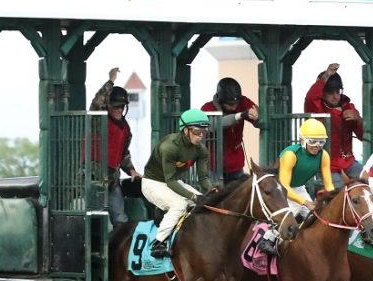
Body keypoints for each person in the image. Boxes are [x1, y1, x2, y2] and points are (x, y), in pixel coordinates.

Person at [140, 108, 216, 258]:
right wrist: (193, 197)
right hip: (152, 182)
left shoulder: (201, 150)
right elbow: (170, 181)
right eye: (196, 131)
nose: (200, 135)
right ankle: (158, 244)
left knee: (206, 203)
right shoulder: (169, 147)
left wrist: (211, 190)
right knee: (179, 205)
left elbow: (203, 178)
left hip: (173, 181)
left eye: (204, 131)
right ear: (185, 130)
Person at [89, 67, 141, 229]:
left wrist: (131, 170)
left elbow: (123, 153)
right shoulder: (99, 120)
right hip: (94, 179)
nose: (119, 110)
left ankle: (119, 253)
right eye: (116, 106)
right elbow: (97, 103)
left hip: (112, 181)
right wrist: (110, 81)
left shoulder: (125, 128)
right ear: (109, 105)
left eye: (122, 107)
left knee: (121, 220)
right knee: (98, 220)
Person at [303, 62, 364, 187]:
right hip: (325, 164)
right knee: (339, 190)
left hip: (349, 162)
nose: (335, 96)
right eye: (330, 93)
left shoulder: (349, 107)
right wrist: (327, 75)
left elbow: (362, 135)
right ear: (322, 94)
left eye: (337, 91)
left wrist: (358, 119)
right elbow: (310, 98)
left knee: (369, 181)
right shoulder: (316, 107)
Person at [201, 77, 259, 182]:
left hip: (236, 165)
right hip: (214, 166)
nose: (234, 107)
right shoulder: (207, 108)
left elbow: (260, 120)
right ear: (220, 100)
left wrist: (257, 116)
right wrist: (240, 115)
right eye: (230, 104)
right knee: (215, 195)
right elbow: (214, 124)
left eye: (236, 104)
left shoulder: (243, 102)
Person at [279, 118, 334, 217]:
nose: (317, 146)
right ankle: (267, 232)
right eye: (312, 141)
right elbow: (284, 187)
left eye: (321, 142)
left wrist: (333, 199)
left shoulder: (323, 155)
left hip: (299, 188)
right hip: (281, 191)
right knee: (284, 224)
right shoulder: (291, 155)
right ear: (302, 140)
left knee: (315, 217)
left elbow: (329, 186)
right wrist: (306, 202)